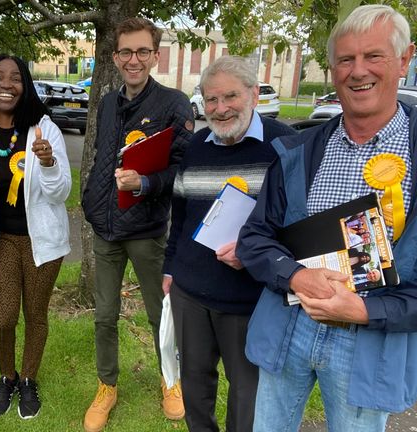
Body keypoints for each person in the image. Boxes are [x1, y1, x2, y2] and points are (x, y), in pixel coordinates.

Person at [237, 5, 417, 431]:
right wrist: (295, 277)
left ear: (404, 59)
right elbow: (255, 237)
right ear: (332, 68)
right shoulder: (300, 149)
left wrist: (363, 311)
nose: (357, 71)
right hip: (290, 325)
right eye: (345, 59)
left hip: (374, 342)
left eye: (373, 56)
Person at [162, 56, 296, 432]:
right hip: (190, 294)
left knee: (247, 396)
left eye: (230, 97)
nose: (220, 109)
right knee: (195, 387)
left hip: (250, 300)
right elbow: (180, 213)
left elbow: (299, 222)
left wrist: (255, 251)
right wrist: (170, 268)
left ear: (254, 93)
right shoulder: (196, 146)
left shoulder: (285, 145)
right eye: (210, 100)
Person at [81, 16, 194, 432]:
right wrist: (91, 199)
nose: (134, 59)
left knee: (158, 312)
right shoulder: (109, 102)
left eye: (142, 51)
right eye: (126, 51)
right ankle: (106, 386)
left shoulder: (173, 104)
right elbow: (98, 154)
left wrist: (146, 183)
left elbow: (182, 171)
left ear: (155, 55)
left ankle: (171, 380)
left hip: (146, 231)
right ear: (115, 56)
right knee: (104, 315)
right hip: (105, 228)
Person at [0, 54, 71, 420]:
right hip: (3, 240)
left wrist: (51, 163)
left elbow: (62, 193)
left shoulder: (45, 129)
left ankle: (28, 380)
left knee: (36, 315)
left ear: (26, 86)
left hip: (44, 243)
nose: (7, 84)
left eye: (16, 78)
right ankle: (7, 376)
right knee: (4, 319)